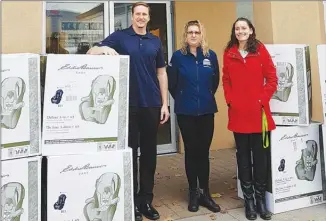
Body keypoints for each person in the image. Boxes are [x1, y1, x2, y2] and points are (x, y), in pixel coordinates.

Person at [87, 2, 170, 221]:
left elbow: (161, 73)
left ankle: (146, 201)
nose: (141, 17)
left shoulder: (154, 41)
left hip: (151, 104)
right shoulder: (121, 37)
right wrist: (103, 48)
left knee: (150, 155)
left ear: (148, 17)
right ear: (132, 16)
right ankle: (131, 201)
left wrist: (165, 104)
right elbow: (91, 51)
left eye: (144, 14)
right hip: (128, 105)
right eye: (138, 14)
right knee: (130, 154)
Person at [222, 17, 277, 220]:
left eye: (244, 28)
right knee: (243, 159)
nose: (240, 31)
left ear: (251, 30)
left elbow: (272, 78)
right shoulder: (229, 53)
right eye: (237, 28)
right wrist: (230, 100)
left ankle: (261, 200)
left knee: (260, 159)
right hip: (238, 114)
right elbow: (225, 80)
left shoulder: (260, 50)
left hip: (258, 114)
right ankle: (249, 201)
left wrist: (262, 99)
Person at [167, 20, 221, 213]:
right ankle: (193, 193)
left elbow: (215, 81)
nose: (193, 35)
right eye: (190, 32)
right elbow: (172, 84)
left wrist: (204, 96)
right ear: (185, 35)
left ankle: (205, 193)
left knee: (203, 152)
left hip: (206, 111)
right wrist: (184, 98)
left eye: (196, 32)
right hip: (186, 112)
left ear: (201, 34)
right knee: (191, 151)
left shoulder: (210, 56)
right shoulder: (178, 57)